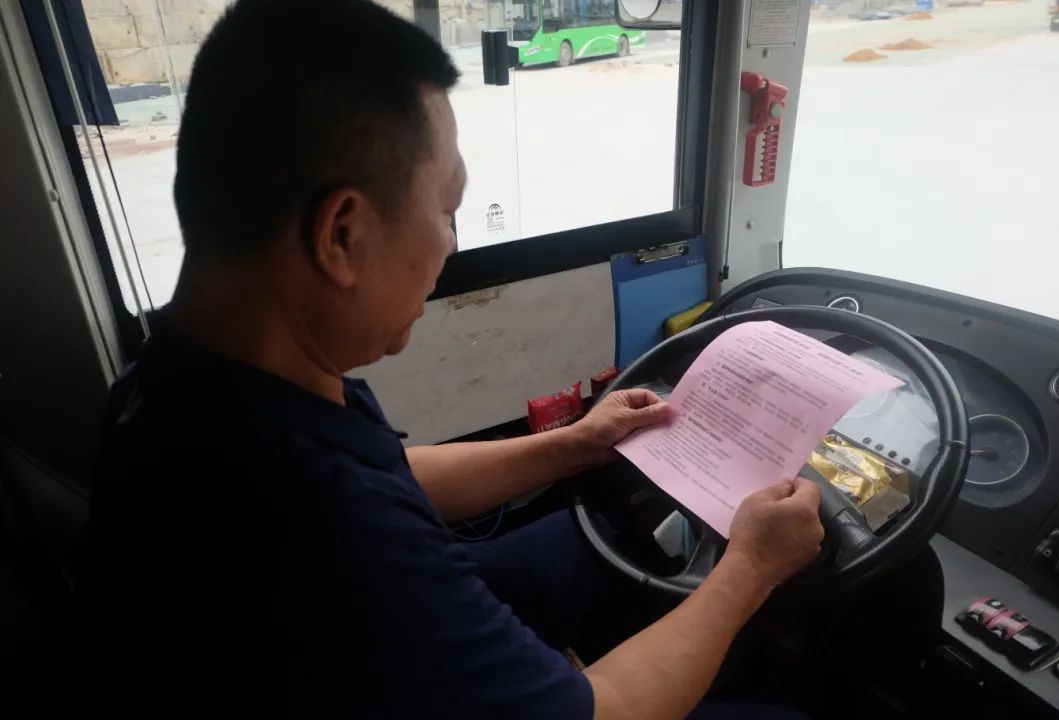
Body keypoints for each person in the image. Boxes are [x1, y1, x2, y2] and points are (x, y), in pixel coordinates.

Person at [81, 1, 825, 718]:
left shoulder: (177, 383)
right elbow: (611, 711)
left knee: (592, 534)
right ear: (342, 235)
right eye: (445, 211)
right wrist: (751, 567)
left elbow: (391, 476)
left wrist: (575, 444)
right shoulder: (326, 525)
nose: (449, 247)